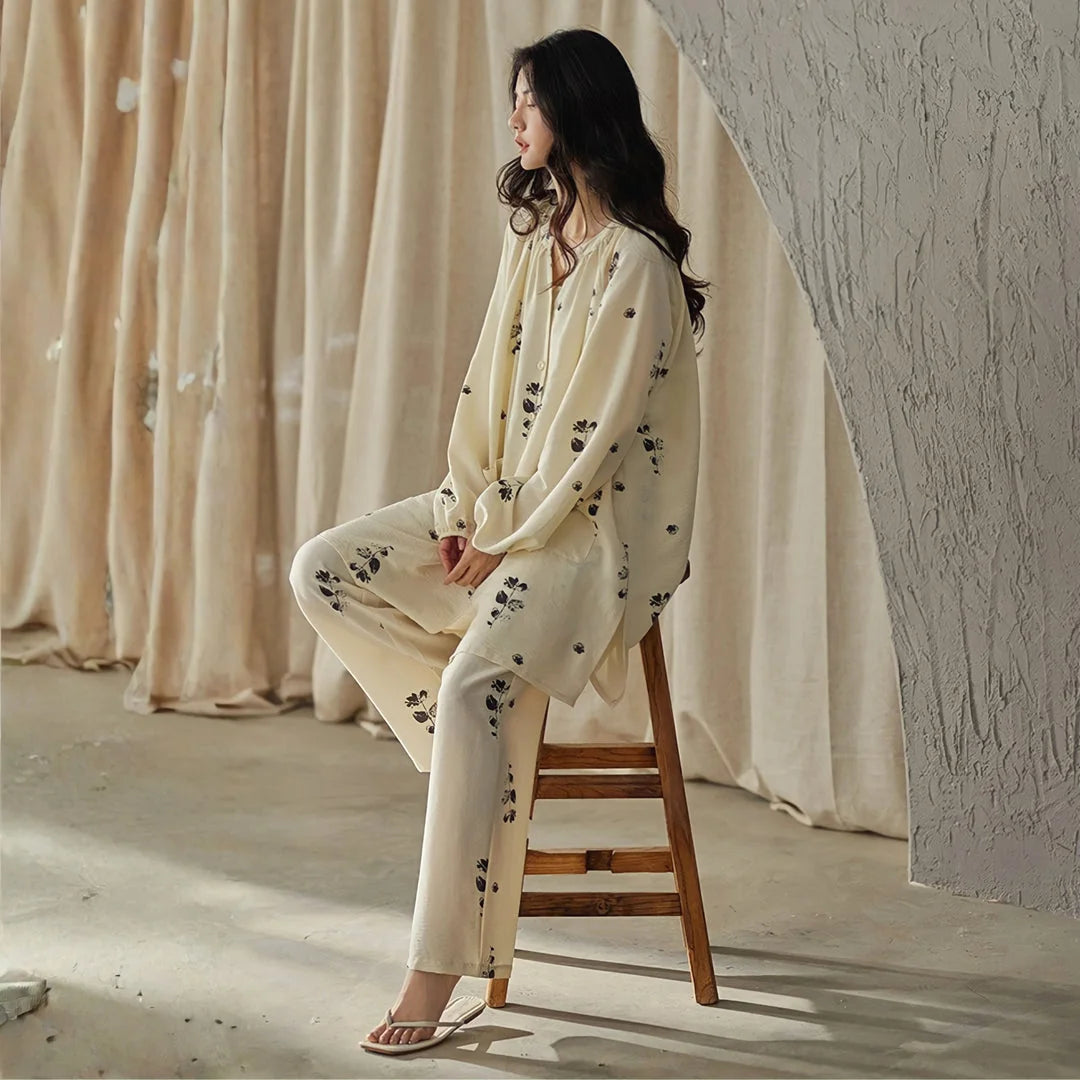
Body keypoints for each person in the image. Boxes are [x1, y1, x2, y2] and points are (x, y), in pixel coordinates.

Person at [290, 26, 708, 1054]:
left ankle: (432, 977)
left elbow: (591, 450)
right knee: (324, 570)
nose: (513, 118)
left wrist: (507, 533)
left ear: (574, 110)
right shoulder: (540, 245)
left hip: (590, 537)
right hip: (509, 516)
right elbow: (486, 402)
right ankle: (461, 760)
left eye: (528, 100)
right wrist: (473, 517)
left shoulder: (637, 268)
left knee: (482, 679)